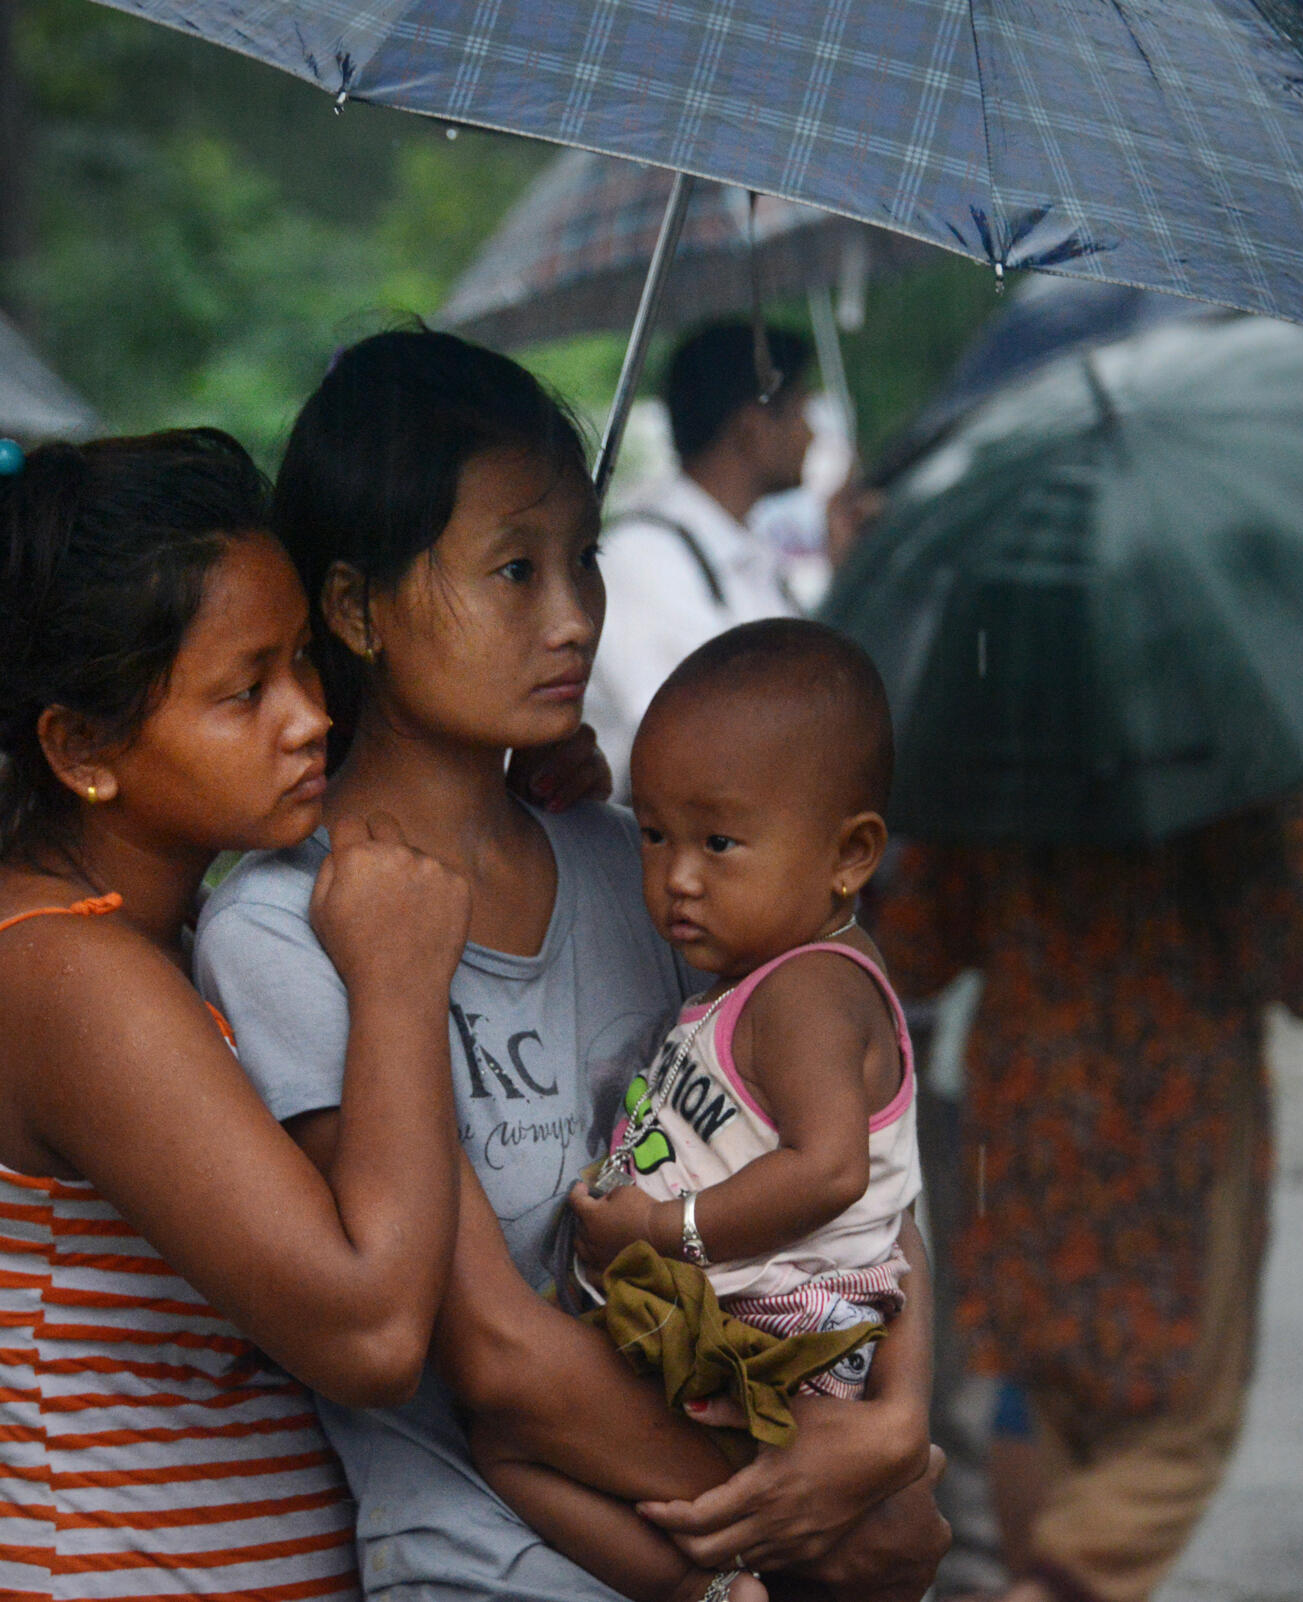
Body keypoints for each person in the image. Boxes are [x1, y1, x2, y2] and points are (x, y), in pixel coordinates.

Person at [197, 328, 950, 1602]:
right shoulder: (282, 931)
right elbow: (492, 1359)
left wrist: (888, 1426)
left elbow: (844, 1153)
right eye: (514, 568)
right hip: (488, 1569)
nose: (574, 616)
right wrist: (812, 1519)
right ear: (353, 609)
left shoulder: (634, 865)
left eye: (584, 558)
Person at [0, 426, 479, 1601]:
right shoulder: (69, 980)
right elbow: (373, 1335)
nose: (308, 716)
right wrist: (401, 985)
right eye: (245, 690)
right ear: (84, 747)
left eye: (304, 662)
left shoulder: (138, 937)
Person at [470, 620, 927, 1602]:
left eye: (719, 842)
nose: (678, 877)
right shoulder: (756, 975)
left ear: (851, 855)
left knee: (508, 1441)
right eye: (654, 833)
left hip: (773, 1347)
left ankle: (704, 1589)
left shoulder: (808, 993)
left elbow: (834, 1173)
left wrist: (658, 1229)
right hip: (758, 1340)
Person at [871, 795, 1303, 1602]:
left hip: (1024, 1119)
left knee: (1038, 1391)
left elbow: (913, 950)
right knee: (1180, 1425)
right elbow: (1299, 969)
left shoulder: (994, 737)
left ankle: (1034, 1579)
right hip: (1179, 1127)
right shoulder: (1230, 750)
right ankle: (1051, 1590)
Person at [587, 320, 815, 790]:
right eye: (799, 412)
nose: (811, 435)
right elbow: (696, 743)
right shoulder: (645, 557)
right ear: (751, 428)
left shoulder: (745, 552)